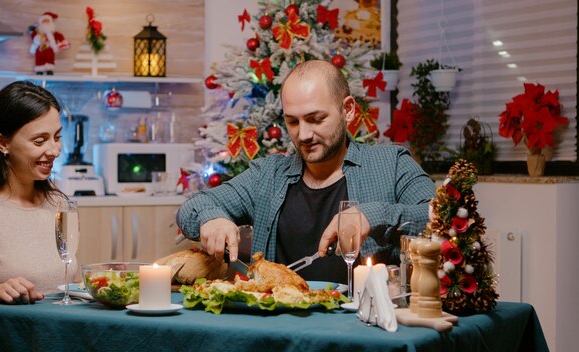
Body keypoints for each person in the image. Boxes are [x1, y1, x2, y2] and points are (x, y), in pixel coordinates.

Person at [176, 60, 436, 284]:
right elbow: (191, 209)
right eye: (292, 121)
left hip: (364, 331)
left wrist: (375, 216)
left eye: (316, 119)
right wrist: (211, 218)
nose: (304, 134)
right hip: (284, 330)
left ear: (348, 110)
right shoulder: (267, 175)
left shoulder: (391, 164)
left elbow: (442, 219)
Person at [0, 81, 77, 344]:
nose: (54, 151)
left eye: (57, 137)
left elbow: (70, 292)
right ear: (2, 142)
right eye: (39, 140)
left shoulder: (59, 204)